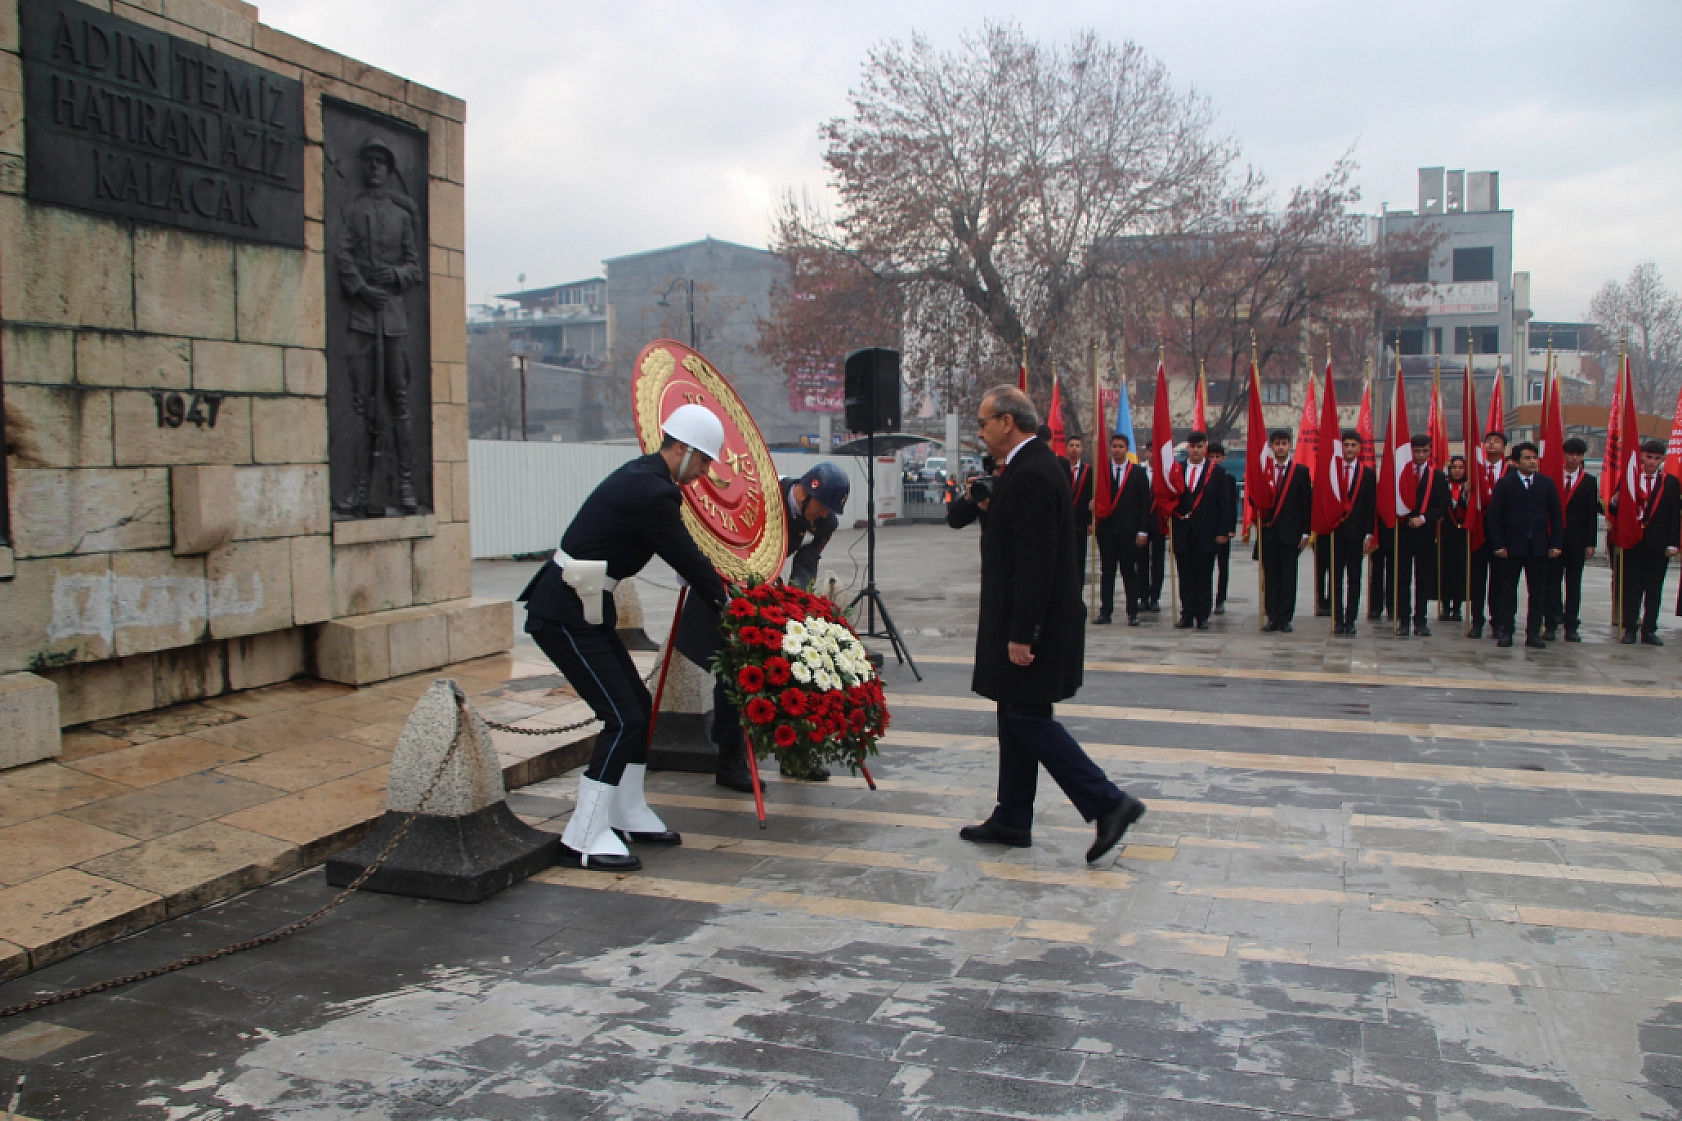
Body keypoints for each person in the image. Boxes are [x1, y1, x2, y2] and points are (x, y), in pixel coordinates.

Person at [519, 403, 728, 872]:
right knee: (623, 717)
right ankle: (584, 833)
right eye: (705, 461)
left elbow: (675, 554)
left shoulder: (646, 479)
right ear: (684, 449)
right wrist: (731, 606)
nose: (706, 472)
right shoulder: (653, 492)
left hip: (585, 604)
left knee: (636, 702)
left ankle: (627, 810)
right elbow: (690, 559)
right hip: (565, 611)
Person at [960, 385, 1146, 861]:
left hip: (1033, 625)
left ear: (1007, 422)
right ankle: (1012, 815)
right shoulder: (1028, 466)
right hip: (1022, 619)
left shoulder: (1034, 473)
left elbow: (1037, 562)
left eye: (983, 423)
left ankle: (1108, 802)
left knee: (1026, 716)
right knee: (1016, 714)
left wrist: (1023, 634)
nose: (979, 432)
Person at [713, 462, 851, 790]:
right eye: (821, 507)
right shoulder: (762, 499)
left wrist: (797, 605)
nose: (823, 515)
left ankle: (795, 755)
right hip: (729, 587)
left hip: (769, 592)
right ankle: (730, 759)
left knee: (800, 664)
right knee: (735, 672)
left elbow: (806, 563)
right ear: (805, 492)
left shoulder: (825, 521)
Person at [335, 137, 425, 517]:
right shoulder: (353, 210)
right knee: (361, 406)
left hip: (392, 321)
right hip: (361, 318)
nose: (373, 168)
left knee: (398, 403)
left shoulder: (402, 215)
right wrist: (359, 288)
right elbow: (342, 253)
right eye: (368, 161)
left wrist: (394, 275)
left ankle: (404, 484)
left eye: (380, 163)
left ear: (389, 170)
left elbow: (415, 267)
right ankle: (358, 489)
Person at [1485, 441, 1564, 648]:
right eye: (1527, 458)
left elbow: (1556, 516)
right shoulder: (1505, 484)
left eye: (1534, 458)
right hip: (1512, 546)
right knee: (1508, 590)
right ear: (1516, 461)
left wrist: (1555, 543)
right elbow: (1495, 517)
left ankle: (1533, 634)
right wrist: (1499, 544)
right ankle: (1507, 631)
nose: (1532, 462)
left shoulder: (1546, 483)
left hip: (1538, 547)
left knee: (1537, 592)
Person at [1612, 438, 1681, 645]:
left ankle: (1649, 629)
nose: (1652, 462)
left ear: (1662, 460)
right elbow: (1616, 510)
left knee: (1654, 588)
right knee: (1631, 586)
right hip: (1633, 540)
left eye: (1657, 458)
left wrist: (1673, 543)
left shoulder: (1670, 482)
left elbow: (1674, 516)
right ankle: (1630, 628)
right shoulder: (1629, 477)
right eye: (1648, 457)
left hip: (1658, 543)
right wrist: (1614, 503)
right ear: (1642, 456)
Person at [1170, 431, 1234, 630]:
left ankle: (1202, 615)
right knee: (1185, 574)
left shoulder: (1216, 472)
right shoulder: (1177, 469)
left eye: (1199, 446)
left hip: (1206, 530)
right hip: (1183, 529)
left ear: (1205, 447)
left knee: (1204, 574)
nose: (1195, 450)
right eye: (1192, 446)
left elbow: (1224, 504)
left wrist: (1223, 530)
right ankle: (1187, 613)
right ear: (1187, 447)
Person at [1256, 429, 1312, 632]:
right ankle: (1272, 616)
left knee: (1288, 577)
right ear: (1271, 446)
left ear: (1290, 445)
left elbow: (1306, 504)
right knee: (1270, 576)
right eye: (1277, 443)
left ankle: (1286, 617)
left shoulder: (1301, 472)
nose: (1281, 447)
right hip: (1269, 531)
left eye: (1284, 443)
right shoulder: (1264, 470)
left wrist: (1306, 532)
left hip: (1291, 533)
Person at [1094, 432, 1152, 626]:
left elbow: (1145, 505)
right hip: (1107, 531)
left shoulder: (1137, 473)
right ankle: (1105, 611)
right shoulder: (1101, 472)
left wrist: (1143, 531)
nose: (1117, 450)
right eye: (1114, 446)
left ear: (1127, 449)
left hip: (1129, 531)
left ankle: (1133, 612)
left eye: (1121, 446)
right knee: (1107, 572)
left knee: (1129, 572)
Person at [1394, 434, 1449, 636]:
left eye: (1424, 451)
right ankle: (1403, 620)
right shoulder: (1402, 473)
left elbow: (1442, 506)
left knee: (1423, 579)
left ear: (1430, 452)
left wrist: (1424, 518)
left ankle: (1421, 620)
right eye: (1416, 451)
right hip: (1404, 533)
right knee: (1402, 579)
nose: (1420, 455)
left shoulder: (1438, 477)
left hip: (1426, 534)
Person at [1548, 437, 1601, 642]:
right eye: (1571, 454)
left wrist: (1590, 542)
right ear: (1564, 455)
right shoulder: (1553, 477)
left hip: (1577, 540)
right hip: (1555, 538)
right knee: (1552, 583)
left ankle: (1571, 625)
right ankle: (1551, 622)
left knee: (1574, 584)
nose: (1574, 458)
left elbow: (1591, 514)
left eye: (1578, 455)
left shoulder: (1588, 481)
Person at [1327, 430, 1377, 636]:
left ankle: (1351, 619)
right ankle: (1337, 618)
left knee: (1354, 578)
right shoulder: (1333, 471)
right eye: (1346, 445)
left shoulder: (1367, 474)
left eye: (1353, 445)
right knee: (1335, 578)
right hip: (1335, 532)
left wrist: (1368, 534)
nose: (1349, 449)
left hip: (1356, 534)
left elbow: (1370, 506)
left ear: (1359, 448)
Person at [1466, 431, 1510, 638]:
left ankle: (1498, 621)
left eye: (1497, 441)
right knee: (1477, 580)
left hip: (1502, 534)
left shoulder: (1511, 472)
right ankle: (1477, 621)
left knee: (1500, 580)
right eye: (1488, 441)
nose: (1492, 444)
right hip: (1480, 531)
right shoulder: (1476, 470)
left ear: (1504, 447)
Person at [1438, 456, 1471, 622]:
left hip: (1463, 535)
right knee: (1445, 570)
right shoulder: (1443, 485)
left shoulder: (1469, 486)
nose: (1457, 470)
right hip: (1445, 534)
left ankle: (1457, 606)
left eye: (1460, 467)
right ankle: (1445, 605)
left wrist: (1466, 494)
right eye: (1454, 467)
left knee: (1460, 571)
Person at [1208, 443, 1240, 614]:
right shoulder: (1203, 476)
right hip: (1207, 528)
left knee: (1223, 566)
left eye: (1217, 457)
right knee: (1206, 566)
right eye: (1211, 457)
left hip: (1223, 528)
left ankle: (1220, 599)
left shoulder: (1229, 479)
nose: (1214, 460)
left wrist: (1230, 527)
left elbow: (1231, 506)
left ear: (1222, 458)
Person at [1137, 439, 1167, 612]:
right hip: (1142, 522)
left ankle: (1155, 596)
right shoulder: (1139, 472)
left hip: (1159, 523)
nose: (1152, 455)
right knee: (1141, 562)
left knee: (1158, 561)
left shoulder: (1165, 474)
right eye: (1150, 451)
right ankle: (1142, 596)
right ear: (1146, 453)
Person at [1067, 436, 1094, 582]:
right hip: (1064, 523)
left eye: (1077, 446)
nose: (1074, 449)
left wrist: (1090, 521)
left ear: (1082, 450)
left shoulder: (1088, 471)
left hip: (1081, 523)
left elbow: (1090, 495)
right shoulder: (1061, 469)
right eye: (1071, 445)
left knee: (1079, 560)